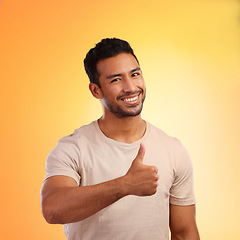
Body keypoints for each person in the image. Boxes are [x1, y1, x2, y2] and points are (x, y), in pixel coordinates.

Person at [40, 38, 200, 240]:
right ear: (96, 90)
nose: (131, 87)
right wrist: (124, 185)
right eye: (116, 80)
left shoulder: (173, 150)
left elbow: (184, 234)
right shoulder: (73, 148)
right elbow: (52, 209)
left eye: (135, 74)